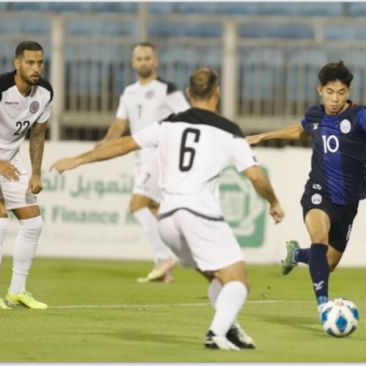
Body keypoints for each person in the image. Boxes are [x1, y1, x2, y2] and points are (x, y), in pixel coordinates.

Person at [51, 67, 285, 350]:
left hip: (167, 219)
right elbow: (257, 177)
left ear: (188, 94)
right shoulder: (229, 131)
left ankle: (229, 326)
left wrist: (77, 159)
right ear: (218, 93)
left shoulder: (168, 124)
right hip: (199, 214)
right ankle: (216, 333)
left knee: (218, 276)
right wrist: (273, 202)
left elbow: (123, 144)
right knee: (239, 282)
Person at [247, 61, 366, 319]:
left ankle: (295, 254)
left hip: (348, 201)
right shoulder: (315, 115)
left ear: (348, 92)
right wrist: (263, 136)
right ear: (320, 90)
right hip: (318, 192)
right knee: (319, 238)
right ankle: (323, 307)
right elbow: (299, 131)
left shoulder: (361, 115)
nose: (334, 98)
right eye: (330, 92)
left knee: (327, 263)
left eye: (341, 93)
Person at [97, 42, 190, 283]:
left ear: (155, 61)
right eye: (139, 58)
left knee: (137, 204)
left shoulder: (167, 89)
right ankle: (185, 255)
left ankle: (162, 257)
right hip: (140, 157)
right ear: (132, 63)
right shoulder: (128, 92)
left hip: (160, 155)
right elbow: (120, 123)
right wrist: (106, 144)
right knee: (156, 210)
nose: (143, 62)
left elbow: (189, 117)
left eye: (148, 58)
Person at [0, 41, 52, 310]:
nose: (36, 68)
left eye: (39, 62)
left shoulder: (45, 93)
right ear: (17, 64)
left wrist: (36, 173)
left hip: (12, 160)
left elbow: (37, 134)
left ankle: (17, 291)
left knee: (33, 224)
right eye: (29, 62)